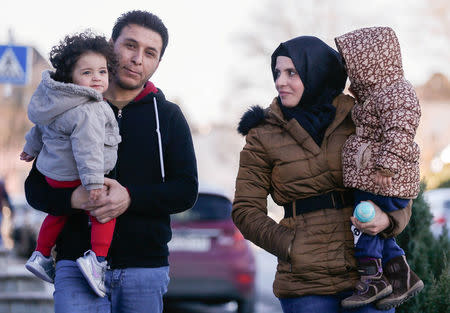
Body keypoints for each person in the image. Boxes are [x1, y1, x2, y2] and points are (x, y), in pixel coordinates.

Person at [24, 10, 198, 313]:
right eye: (130, 45)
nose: (137, 59)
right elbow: (35, 189)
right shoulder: (68, 108)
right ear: (110, 45)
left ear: (158, 62)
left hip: (144, 269)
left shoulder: (168, 117)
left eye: (150, 53)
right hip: (74, 266)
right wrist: (73, 199)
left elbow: (185, 190)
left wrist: (129, 198)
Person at [232, 35, 412, 313]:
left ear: (317, 72)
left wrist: (389, 219)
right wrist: (291, 246)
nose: (281, 81)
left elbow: (399, 178)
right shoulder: (262, 133)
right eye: (277, 72)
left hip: (368, 276)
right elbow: (245, 210)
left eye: (292, 72)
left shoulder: (359, 116)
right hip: (305, 283)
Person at [20, 31, 120, 297]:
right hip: (77, 175)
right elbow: (88, 150)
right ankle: (97, 261)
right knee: (104, 211)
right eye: (87, 73)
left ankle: (41, 255)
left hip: (54, 175)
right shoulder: (89, 109)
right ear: (70, 77)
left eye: (102, 71)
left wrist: (31, 149)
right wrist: (94, 184)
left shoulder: (58, 101)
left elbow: (40, 128)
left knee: (58, 214)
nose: (97, 78)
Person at [335, 26, 423, 310]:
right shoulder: (376, 95)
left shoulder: (394, 94)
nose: (349, 74)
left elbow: (399, 130)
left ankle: (373, 278)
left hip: (387, 181)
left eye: (352, 67)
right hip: (378, 179)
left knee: (365, 225)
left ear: (368, 64)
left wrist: (386, 167)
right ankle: (401, 277)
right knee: (373, 228)